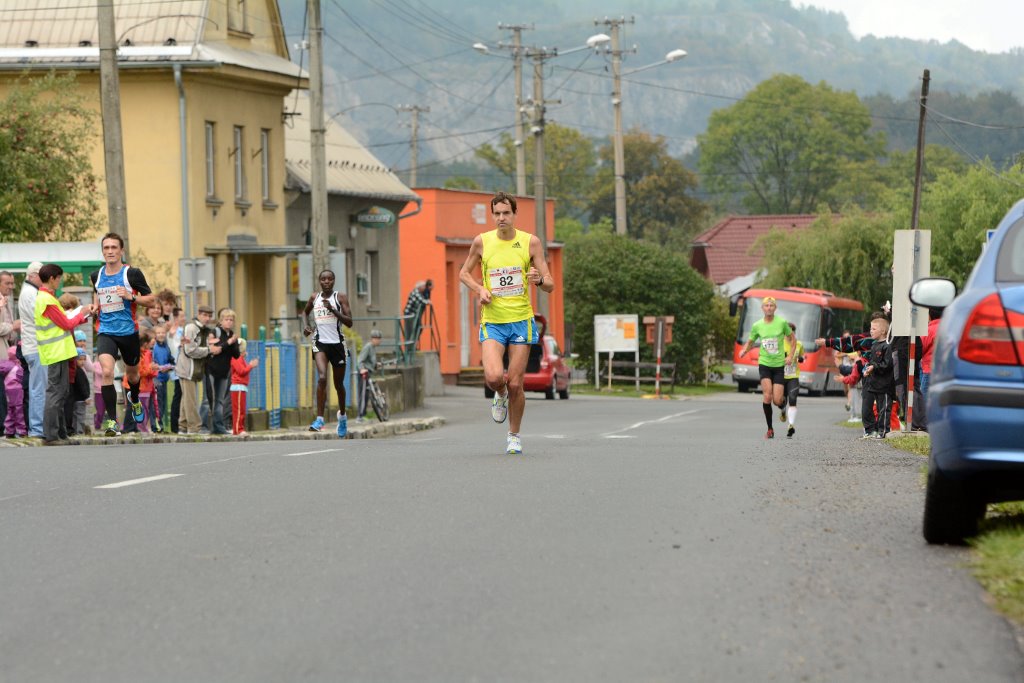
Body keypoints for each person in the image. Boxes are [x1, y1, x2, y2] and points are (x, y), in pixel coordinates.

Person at [458, 191, 555, 455]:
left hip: (521, 320)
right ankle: (499, 394)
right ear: (492, 215)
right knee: (493, 378)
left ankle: (514, 435)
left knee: (515, 383)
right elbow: (463, 273)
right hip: (493, 321)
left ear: (514, 214)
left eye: (506, 213)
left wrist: (538, 280)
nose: (501, 218)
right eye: (497, 213)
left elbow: (550, 284)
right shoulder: (482, 242)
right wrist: (480, 289)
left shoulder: (530, 242)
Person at [90, 233, 154, 436]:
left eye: (114, 247)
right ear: (103, 251)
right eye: (106, 248)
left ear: (121, 251)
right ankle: (112, 422)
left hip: (128, 333)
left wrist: (130, 296)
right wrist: (95, 306)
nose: (110, 251)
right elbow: (97, 293)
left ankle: (134, 400)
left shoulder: (132, 274)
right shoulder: (96, 275)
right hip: (106, 331)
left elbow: (151, 300)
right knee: (107, 372)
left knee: (133, 375)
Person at [35, 264, 92, 445]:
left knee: (61, 392)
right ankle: (51, 436)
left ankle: (60, 434)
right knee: (55, 393)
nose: (59, 281)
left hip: (60, 351)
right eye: (59, 278)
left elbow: (64, 321)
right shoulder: (47, 300)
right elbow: (66, 324)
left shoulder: (48, 298)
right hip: (56, 352)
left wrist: (83, 316)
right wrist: (81, 313)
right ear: (52, 278)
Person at [738, 296, 797, 440]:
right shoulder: (757, 325)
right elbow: (751, 341)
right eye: (766, 305)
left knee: (777, 400)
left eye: (771, 305)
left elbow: (793, 339)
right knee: (767, 396)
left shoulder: (781, 322)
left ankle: (782, 406)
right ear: (762, 308)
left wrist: (790, 356)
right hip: (764, 363)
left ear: (775, 308)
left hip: (778, 365)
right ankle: (770, 429)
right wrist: (744, 350)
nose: (769, 308)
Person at [303, 269, 353, 437]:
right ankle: (319, 419)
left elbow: (350, 322)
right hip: (320, 343)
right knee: (322, 378)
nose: (326, 282)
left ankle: (342, 417)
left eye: (329, 279)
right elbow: (305, 312)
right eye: (323, 279)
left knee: (338, 385)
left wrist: (333, 310)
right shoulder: (314, 297)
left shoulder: (340, 297)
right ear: (319, 281)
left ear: (333, 281)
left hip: (337, 345)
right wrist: (306, 326)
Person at [174, 305, 220, 435]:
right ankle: (194, 427)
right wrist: (209, 350)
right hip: (187, 368)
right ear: (199, 314)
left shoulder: (204, 329)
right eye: (204, 315)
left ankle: (183, 426)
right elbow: (190, 350)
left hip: (194, 369)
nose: (207, 318)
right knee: (191, 400)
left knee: (186, 399)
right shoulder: (191, 328)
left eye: (209, 316)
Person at [18, 261, 44, 438]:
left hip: (33, 346)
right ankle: (37, 428)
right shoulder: (30, 293)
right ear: (33, 275)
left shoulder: (29, 291)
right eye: (42, 276)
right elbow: (40, 317)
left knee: (37, 387)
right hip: (35, 346)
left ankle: (37, 427)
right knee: (39, 389)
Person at [204, 308, 239, 435]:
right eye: (226, 319)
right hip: (211, 369)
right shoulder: (215, 332)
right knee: (208, 399)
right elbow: (215, 350)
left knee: (220, 400)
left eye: (231, 320)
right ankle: (203, 426)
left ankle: (218, 426)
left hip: (224, 371)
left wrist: (234, 343)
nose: (229, 322)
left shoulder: (232, 335)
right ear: (221, 321)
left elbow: (236, 355)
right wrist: (228, 342)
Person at [0, 270, 22, 435]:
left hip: (7, 350)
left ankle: (7, 426)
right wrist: (12, 327)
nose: (11, 286)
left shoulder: (6, 301)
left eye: (12, 283)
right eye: (7, 283)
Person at [229, 338, 259, 436]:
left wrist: (249, 364)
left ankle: (238, 429)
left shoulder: (239, 358)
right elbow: (241, 371)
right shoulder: (236, 358)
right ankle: (238, 429)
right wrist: (251, 365)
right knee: (238, 410)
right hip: (238, 387)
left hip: (241, 387)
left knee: (241, 410)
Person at [780, 321, 804, 438]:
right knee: (781, 401)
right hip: (780, 376)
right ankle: (783, 410)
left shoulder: (799, 344)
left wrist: (800, 359)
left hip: (793, 376)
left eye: (792, 332)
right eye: (787, 332)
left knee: (793, 398)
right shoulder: (780, 343)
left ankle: (791, 425)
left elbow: (801, 356)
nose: (790, 334)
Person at [356, 328, 383, 423]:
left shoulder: (373, 348)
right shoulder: (368, 347)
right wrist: (361, 369)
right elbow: (360, 360)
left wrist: (376, 365)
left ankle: (363, 414)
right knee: (363, 394)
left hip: (369, 373)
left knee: (367, 394)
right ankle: (359, 416)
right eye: (377, 338)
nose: (379, 340)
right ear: (373, 339)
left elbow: (370, 361)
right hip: (364, 374)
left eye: (379, 338)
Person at [151, 324, 174, 433]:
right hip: (156, 379)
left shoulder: (166, 347)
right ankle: (156, 426)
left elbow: (170, 359)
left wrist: (170, 366)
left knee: (163, 403)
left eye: (163, 333)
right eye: (158, 333)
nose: (161, 335)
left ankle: (161, 425)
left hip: (164, 378)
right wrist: (160, 368)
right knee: (157, 403)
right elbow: (152, 363)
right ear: (155, 335)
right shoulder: (154, 348)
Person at [1, 345, 26, 438]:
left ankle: (9, 430)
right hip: (17, 391)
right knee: (19, 410)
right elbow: (21, 379)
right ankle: (21, 430)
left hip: (7, 390)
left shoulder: (5, 365)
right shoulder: (17, 367)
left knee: (10, 410)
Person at [402, 279, 432, 347]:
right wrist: (428, 302)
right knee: (410, 330)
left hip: (413, 314)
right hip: (409, 314)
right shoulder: (415, 292)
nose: (424, 288)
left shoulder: (419, 293)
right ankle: (410, 347)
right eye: (423, 286)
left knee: (419, 327)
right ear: (420, 287)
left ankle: (414, 343)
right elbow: (422, 301)